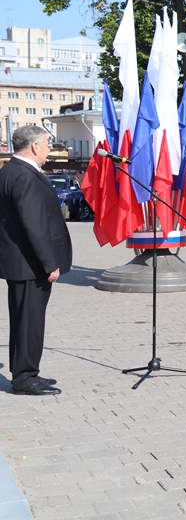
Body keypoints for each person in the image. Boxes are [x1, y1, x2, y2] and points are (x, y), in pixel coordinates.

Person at [0, 125, 73, 396]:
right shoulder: (24, 176)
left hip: (21, 263)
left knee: (24, 320)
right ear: (34, 147)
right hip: (29, 265)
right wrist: (48, 262)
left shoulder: (10, 170)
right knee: (29, 321)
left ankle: (26, 371)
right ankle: (25, 378)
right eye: (46, 145)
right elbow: (34, 225)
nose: (47, 150)